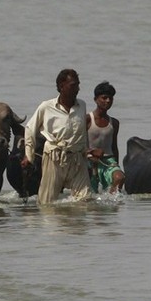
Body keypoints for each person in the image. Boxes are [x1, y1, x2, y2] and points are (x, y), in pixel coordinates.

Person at [21, 68, 98, 205]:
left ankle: (75, 225)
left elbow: (82, 132)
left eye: (78, 85)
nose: (77, 89)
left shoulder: (82, 106)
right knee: (47, 203)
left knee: (85, 200)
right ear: (62, 86)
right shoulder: (46, 107)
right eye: (73, 85)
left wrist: (86, 151)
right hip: (54, 157)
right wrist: (29, 155)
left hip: (77, 159)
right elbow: (29, 129)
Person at [86, 81, 125, 194]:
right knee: (90, 195)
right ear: (95, 99)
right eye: (104, 98)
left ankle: (111, 204)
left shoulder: (114, 123)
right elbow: (79, 144)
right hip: (89, 162)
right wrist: (91, 152)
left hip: (108, 162)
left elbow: (114, 146)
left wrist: (117, 165)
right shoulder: (88, 119)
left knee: (119, 178)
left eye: (110, 98)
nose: (107, 101)